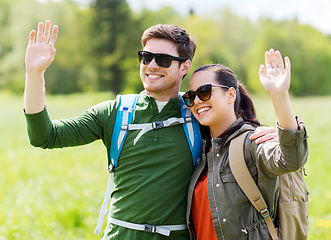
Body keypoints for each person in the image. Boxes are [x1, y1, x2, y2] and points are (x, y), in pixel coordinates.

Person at [23, 20, 276, 239]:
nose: (151, 65)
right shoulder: (114, 113)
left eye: (163, 60)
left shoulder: (198, 116)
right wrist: (34, 74)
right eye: (145, 57)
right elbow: (44, 136)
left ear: (184, 67)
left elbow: (238, 135)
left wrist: (282, 131)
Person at [182, 49, 308, 239]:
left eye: (204, 91)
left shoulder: (251, 142)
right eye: (190, 96)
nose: (197, 101)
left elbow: (291, 159)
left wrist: (279, 96)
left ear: (230, 95)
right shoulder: (201, 150)